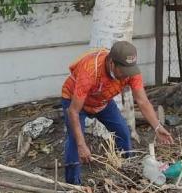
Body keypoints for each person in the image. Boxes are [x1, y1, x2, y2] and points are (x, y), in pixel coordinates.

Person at [61, 41, 173, 184]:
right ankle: (73, 186)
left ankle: (129, 173)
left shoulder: (131, 72)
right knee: (74, 141)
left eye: (129, 71)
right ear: (111, 63)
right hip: (74, 101)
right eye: (123, 71)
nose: (127, 76)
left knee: (124, 133)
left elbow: (142, 101)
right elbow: (73, 111)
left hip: (102, 102)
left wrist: (157, 127)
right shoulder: (90, 70)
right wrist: (82, 145)